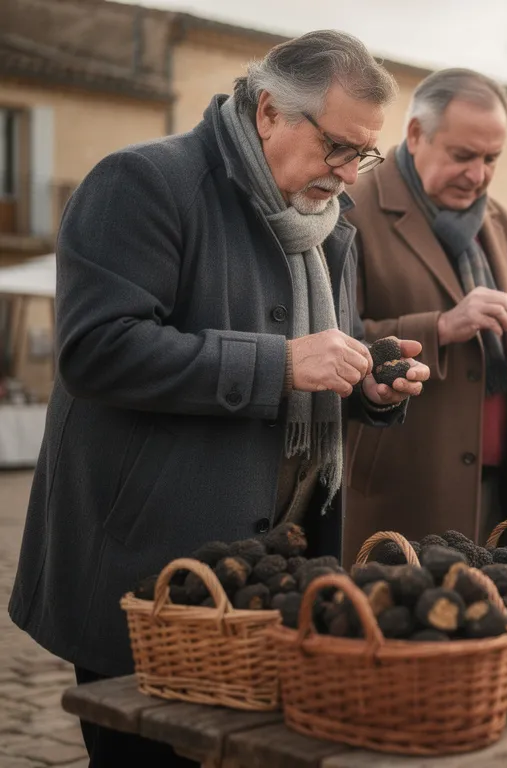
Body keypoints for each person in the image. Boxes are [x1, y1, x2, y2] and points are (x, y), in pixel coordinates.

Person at [7, 32, 428, 766]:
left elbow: (321, 358)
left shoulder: (329, 224)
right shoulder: (141, 182)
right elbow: (98, 350)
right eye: (336, 147)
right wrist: (282, 364)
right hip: (151, 570)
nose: (346, 174)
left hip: (279, 574)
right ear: (269, 111)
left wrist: (368, 386)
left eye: (363, 155)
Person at [342, 69, 507, 555]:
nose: (478, 175)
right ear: (415, 134)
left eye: (491, 158)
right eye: (463, 155)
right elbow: (335, 341)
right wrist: (443, 327)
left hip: (503, 493)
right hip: (402, 493)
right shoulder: (350, 210)